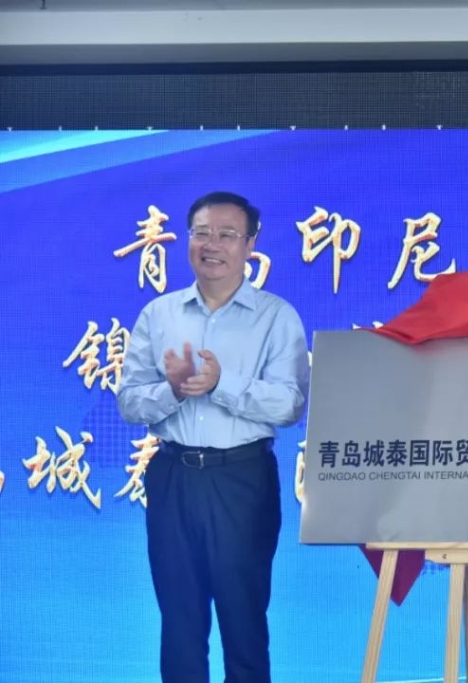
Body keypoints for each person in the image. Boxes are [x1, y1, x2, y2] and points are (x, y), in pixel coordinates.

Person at [118, 191, 310, 683]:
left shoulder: (276, 316)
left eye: (227, 234)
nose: (212, 244)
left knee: (244, 619)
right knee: (179, 620)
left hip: (242, 479)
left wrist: (221, 384)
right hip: (172, 477)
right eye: (201, 233)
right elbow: (130, 403)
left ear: (250, 244)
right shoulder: (159, 314)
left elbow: (290, 404)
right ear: (187, 240)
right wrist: (173, 390)